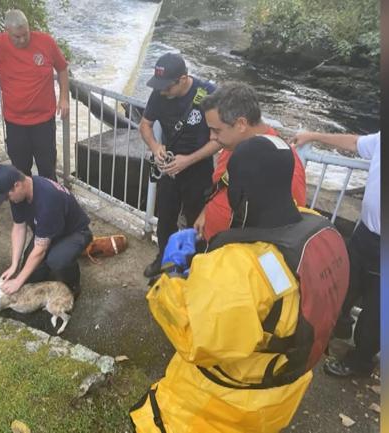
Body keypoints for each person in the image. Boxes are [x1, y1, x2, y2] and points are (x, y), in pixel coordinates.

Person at [130, 109, 350, 433]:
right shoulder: (323, 232)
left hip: (222, 407)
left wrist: (173, 273)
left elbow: (196, 341)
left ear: (241, 194)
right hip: (281, 393)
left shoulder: (237, 267)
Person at [292, 130, 381, 378]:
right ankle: (335, 330)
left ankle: (361, 361)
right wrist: (311, 135)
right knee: (340, 287)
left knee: (378, 312)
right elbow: (355, 143)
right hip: (366, 234)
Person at [0, 9, 69, 181]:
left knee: (47, 171)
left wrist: (64, 98)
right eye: (17, 37)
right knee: (20, 174)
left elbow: (62, 68)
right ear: (7, 31)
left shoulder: (46, 41)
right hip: (15, 123)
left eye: (26, 34)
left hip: (44, 121)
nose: (23, 39)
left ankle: (50, 206)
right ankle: (26, 207)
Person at [140, 53, 220, 277]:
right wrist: (156, 147)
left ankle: (192, 267)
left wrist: (189, 160)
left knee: (196, 222)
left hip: (198, 170)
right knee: (165, 218)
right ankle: (163, 259)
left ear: (183, 79)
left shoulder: (209, 95)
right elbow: (145, 125)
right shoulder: (159, 94)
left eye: (167, 87)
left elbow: (219, 140)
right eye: (160, 87)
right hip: (169, 168)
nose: (162, 92)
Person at [193, 86, 307, 242]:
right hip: (213, 244)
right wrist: (206, 212)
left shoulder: (284, 168)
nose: (212, 137)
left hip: (239, 259)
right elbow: (220, 186)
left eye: (216, 131)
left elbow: (289, 232)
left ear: (241, 124)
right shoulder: (233, 144)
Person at [0, 164, 92, 295]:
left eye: (7, 196)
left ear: (17, 185)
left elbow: (40, 249)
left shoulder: (47, 200)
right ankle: (52, 263)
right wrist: (14, 265)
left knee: (56, 260)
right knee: (31, 278)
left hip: (74, 233)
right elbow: (19, 227)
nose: (7, 200)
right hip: (49, 232)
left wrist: (18, 280)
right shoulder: (18, 197)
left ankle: (72, 286)